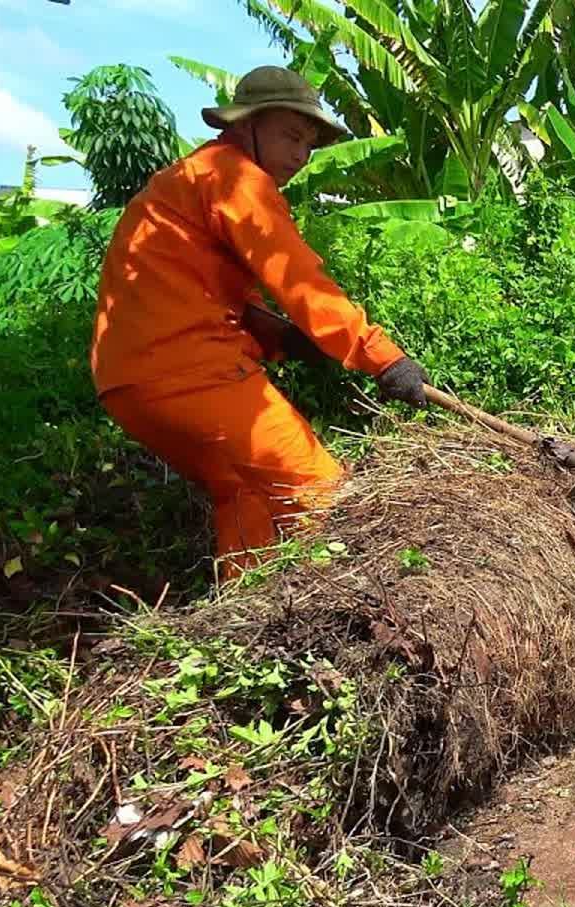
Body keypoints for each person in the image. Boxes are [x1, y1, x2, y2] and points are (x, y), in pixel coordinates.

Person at [90, 66, 429, 578]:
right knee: (325, 498)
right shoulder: (236, 179)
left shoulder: (191, 180)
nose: (300, 155)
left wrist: (287, 340)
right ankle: (365, 623)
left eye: (309, 145)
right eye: (291, 136)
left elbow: (211, 296)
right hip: (189, 375)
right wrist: (383, 357)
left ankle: (242, 628)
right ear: (246, 126)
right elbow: (298, 278)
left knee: (246, 493)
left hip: (128, 384)